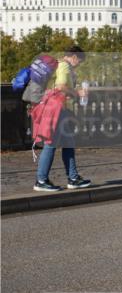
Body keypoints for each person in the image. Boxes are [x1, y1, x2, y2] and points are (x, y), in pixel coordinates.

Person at [34, 46, 92, 192]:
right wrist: (77, 93)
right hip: (58, 111)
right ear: (74, 57)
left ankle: (73, 178)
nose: (79, 64)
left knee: (68, 144)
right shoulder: (64, 66)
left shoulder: (61, 66)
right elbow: (60, 86)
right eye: (79, 61)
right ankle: (41, 180)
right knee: (51, 144)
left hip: (61, 110)